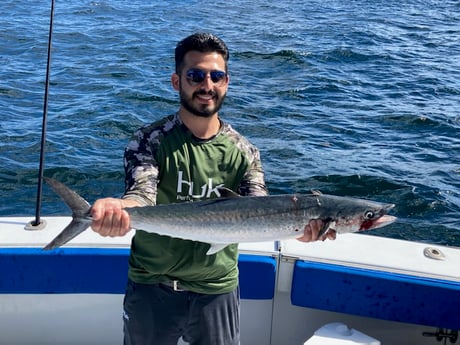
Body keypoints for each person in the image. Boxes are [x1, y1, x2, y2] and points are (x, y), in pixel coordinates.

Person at [90, 33, 336, 345]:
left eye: (216, 76)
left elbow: (260, 210)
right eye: (195, 75)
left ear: (226, 82)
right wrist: (119, 210)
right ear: (177, 81)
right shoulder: (150, 140)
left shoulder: (245, 152)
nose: (207, 85)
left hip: (216, 288)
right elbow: (142, 193)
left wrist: (299, 229)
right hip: (152, 284)